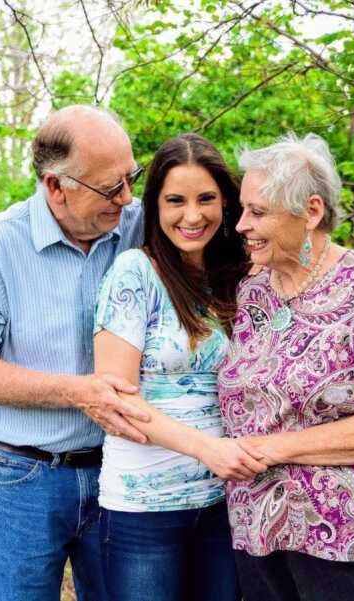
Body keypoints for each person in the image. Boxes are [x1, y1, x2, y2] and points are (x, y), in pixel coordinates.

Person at [0, 105, 150, 601]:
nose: (126, 197)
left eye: (131, 178)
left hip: (122, 470)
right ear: (56, 187)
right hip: (24, 475)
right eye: (109, 187)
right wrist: (81, 393)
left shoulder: (141, 225)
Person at [218, 133, 354, 601]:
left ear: (311, 212)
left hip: (350, 539)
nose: (240, 225)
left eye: (257, 212)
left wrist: (276, 449)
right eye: (242, 209)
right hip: (257, 530)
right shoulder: (253, 291)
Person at [92, 133, 267, 601]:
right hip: (143, 509)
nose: (193, 215)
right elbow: (116, 401)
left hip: (222, 504)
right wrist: (208, 450)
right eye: (176, 201)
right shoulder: (135, 272)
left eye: (206, 199)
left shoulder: (238, 278)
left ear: (227, 204)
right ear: (155, 207)